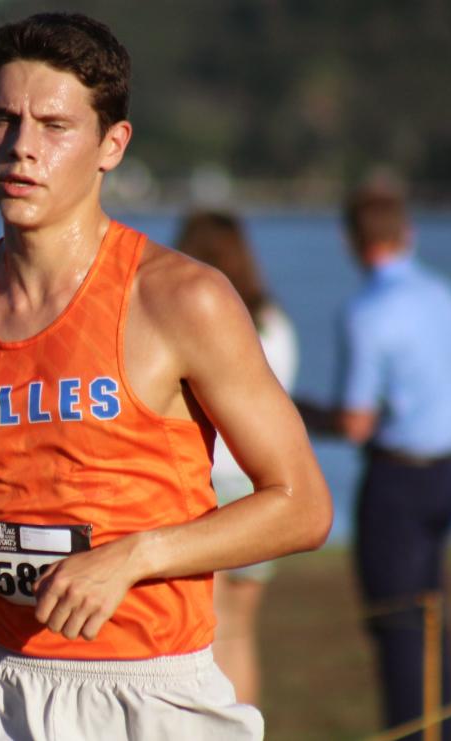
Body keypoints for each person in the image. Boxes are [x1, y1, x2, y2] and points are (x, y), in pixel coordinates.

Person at [0, 13, 332, 740]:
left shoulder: (183, 299)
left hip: (148, 688)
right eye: (2, 117)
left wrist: (135, 555)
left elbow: (303, 505)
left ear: (109, 145)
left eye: (54, 126)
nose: (21, 147)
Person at [297, 180, 451, 740]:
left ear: (353, 240)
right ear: (407, 232)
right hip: (449, 475)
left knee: (398, 631)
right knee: (431, 625)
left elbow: (354, 423)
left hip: (398, 483)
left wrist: (293, 412)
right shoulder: (443, 293)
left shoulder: (367, 311)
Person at [175, 211, 299, 705]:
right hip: (261, 485)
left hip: (209, 483)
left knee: (207, 631)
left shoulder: (186, 314)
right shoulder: (273, 323)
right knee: (241, 632)